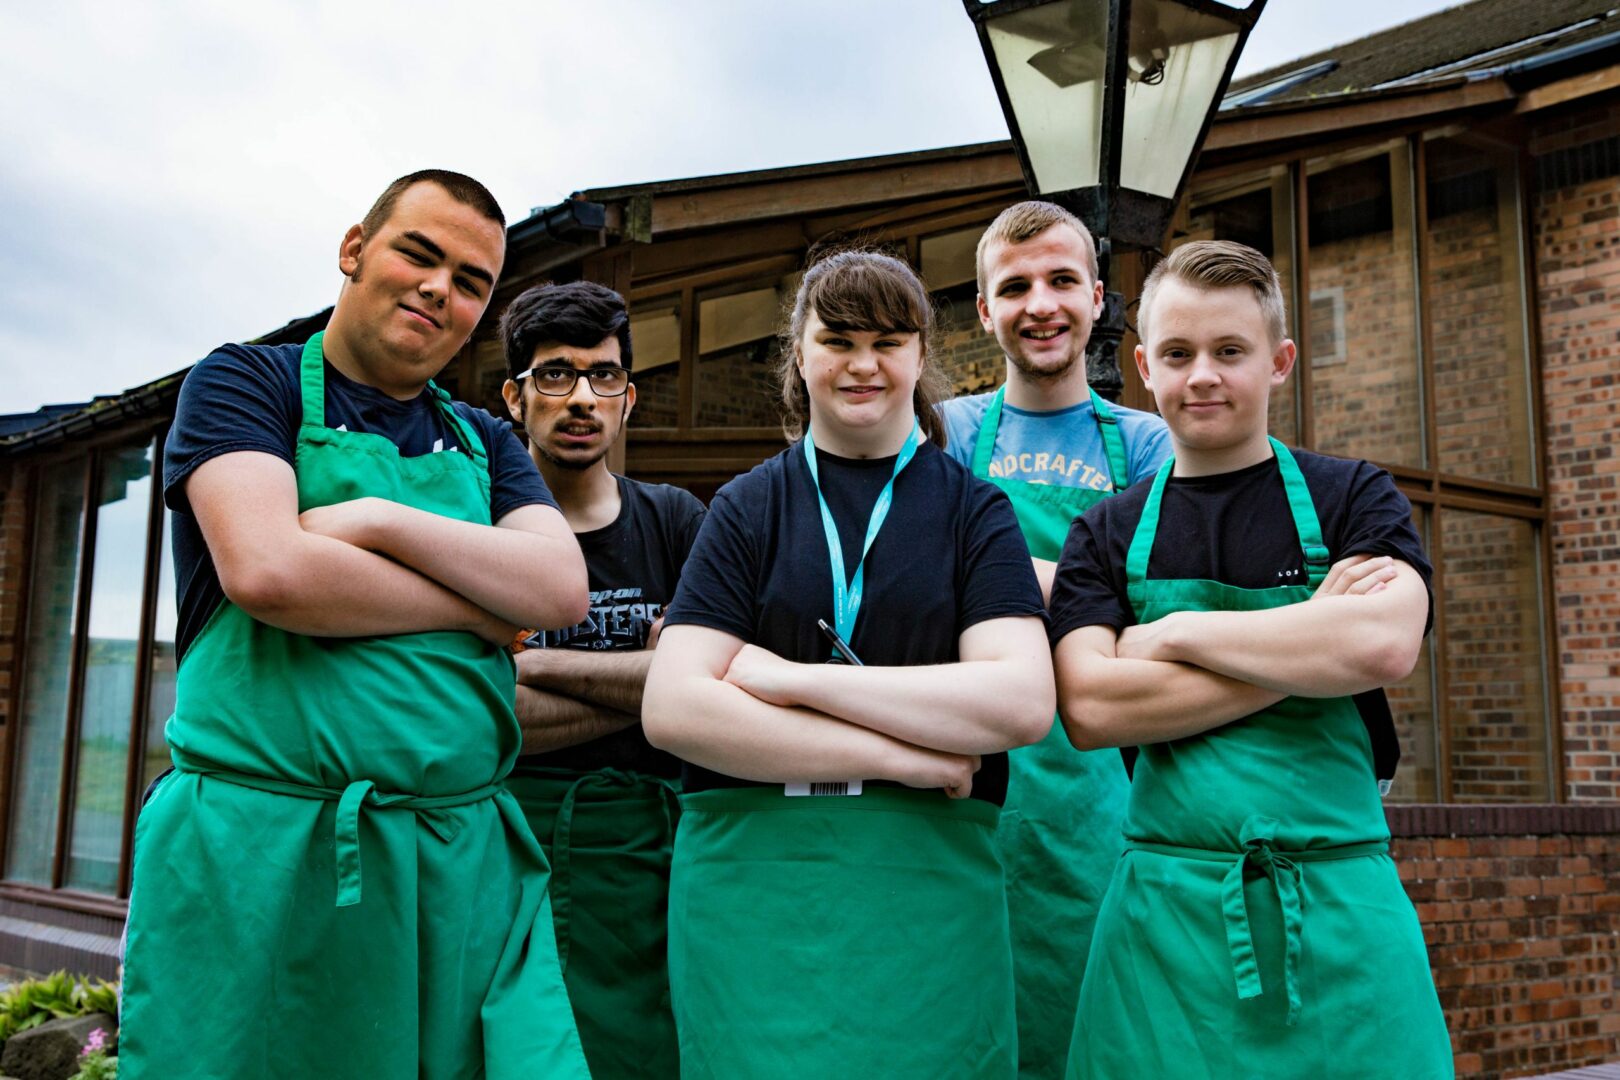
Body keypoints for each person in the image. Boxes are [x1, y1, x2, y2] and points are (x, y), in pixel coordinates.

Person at [120, 170, 592, 1079]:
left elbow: (559, 590)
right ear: (353, 250)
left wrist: (376, 524)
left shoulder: (487, 443)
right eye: (419, 253)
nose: (437, 289)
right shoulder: (244, 384)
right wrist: (480, 611)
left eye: (469, 281)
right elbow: (272, 572)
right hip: (260, 859)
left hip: (455, 867)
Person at [642, 249, 1053, 1077]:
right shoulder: (748, 505)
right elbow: (675, 711)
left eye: (888, 342)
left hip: (928, 896)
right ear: (800, 354)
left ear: (919, 356)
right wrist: (909, 756)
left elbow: (1018, 702)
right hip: (751, 897)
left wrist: (789, 680)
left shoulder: (975, 510)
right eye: (838, 340)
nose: (863, 364)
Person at [1049, 240, 1452, 1077]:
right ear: (1143, 368)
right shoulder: (1106, 532)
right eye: (1178, 354)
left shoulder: (1354, 495)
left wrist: (1170, 636)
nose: (1203, 375)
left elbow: (1381, 643)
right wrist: (1309, 640)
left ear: (1279, 361)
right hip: (1164, 925)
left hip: (1342, 910)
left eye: (1230, 351)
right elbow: (1090, 709)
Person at [939, 199, 1171, 1079]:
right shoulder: (951, 431)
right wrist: (1088, 594)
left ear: (1100, 299)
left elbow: (1154, 601)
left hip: (1100, 783)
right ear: (985, 309)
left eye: (1062, 281)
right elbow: (930, 581)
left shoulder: (1147, 442)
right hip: (977, 775)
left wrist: (999, 579)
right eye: (1016, 286)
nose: (1041, 303)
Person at [497, 280, 706, 1078]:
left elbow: (704, 683)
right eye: (555, 374)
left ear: (630, 398)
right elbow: (481, 708)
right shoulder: (479, 530)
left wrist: (534, 663)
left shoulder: (679, 521)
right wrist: (648, 684)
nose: (581, 397)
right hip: (512, 847)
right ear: (515, 398)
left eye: (603, 375)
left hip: (652, 858)